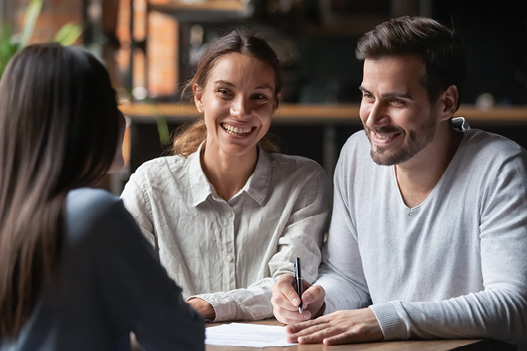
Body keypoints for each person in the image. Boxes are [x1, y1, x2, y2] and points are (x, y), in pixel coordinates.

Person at [271, 16, 527, 347]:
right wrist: (319, 298)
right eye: (367, 96)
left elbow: (513, 307)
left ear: (446, 103)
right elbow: (349, 277)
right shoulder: (356, 155)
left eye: (396, 101)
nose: (373, 118)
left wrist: (387, 318)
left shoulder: (500, 167)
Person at [0, 43, 204, 351]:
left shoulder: (12, 213)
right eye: (112, 102)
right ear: (85, 122)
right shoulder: (94, 214)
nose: (121, 118)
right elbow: (179, 337)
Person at [120, 30, 330, 322]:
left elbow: (288, 289)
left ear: (274, 104)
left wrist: (208, 306)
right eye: (225, 92)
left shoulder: (303, 181)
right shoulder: (150, 185)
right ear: (199, 97)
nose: (241, 111)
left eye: (258, 97)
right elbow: (124, 284)